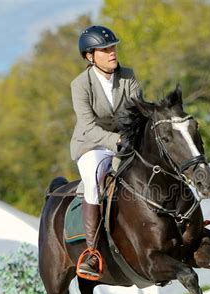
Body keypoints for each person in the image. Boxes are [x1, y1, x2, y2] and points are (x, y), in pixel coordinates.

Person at [70, 25, 141, 278]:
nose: (112, 53)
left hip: (124, 140)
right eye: (105, 49)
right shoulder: (80, 85)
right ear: (90, 57)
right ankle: (92, 252)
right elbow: (88, 127)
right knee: (94, 180)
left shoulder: (128, 76)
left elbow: (137, 111)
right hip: (93, 145)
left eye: (113, 47)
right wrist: (117, 140)